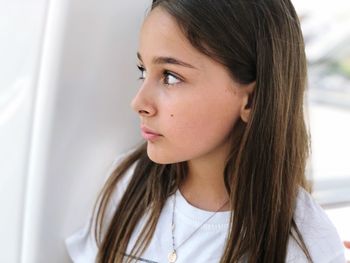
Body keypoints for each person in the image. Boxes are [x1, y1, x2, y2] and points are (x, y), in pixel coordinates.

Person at [65, 0, 347, 262]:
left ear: (252, 100)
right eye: (143, 70)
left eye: (170, 76)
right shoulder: (127, 187)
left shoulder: (305, 246)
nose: (138, 102)